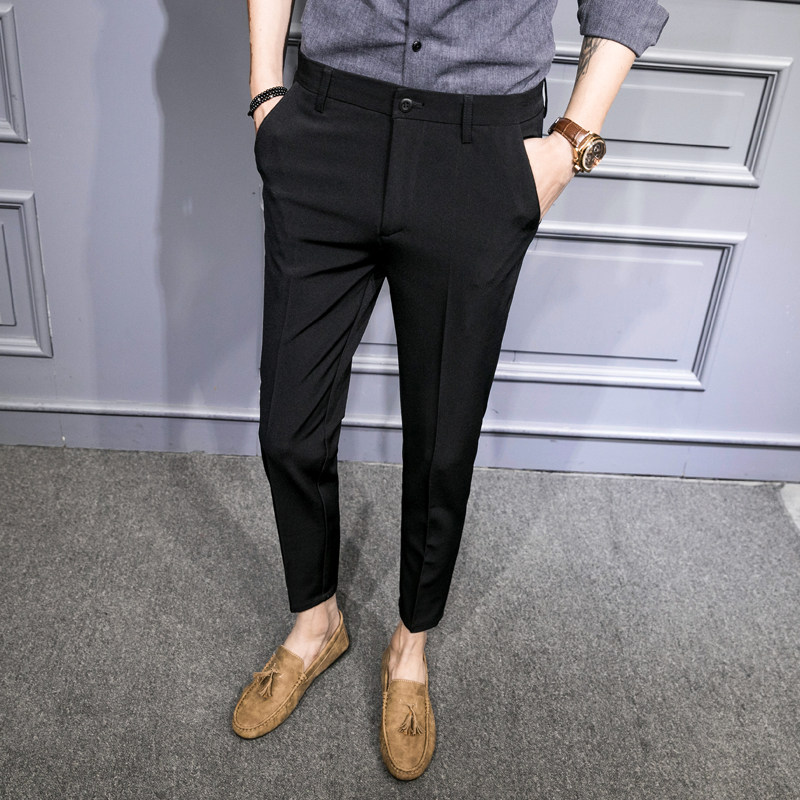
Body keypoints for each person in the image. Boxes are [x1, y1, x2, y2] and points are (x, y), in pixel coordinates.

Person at [232, 0, 669, 781]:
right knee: (288, 429)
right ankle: (316, 622)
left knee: (442, 445)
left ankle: (411, 646)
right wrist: (267, 92)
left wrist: (570, 141)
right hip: (329, 124)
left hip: (479, 147)